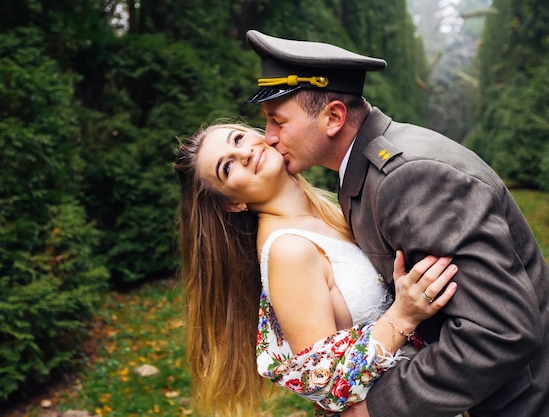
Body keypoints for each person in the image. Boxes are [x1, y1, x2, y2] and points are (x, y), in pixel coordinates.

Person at [244, 30, 549, 417]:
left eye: (277, 120)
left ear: (334, 117)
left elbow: (498, 331)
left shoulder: (407, 179)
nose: (268, 138)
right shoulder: (365, 170)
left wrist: (375, 408)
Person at [174, 122, 458, 417]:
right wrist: (404, 315)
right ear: (233, 203)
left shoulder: (331, 212)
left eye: (238, 138)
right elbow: (325, 381)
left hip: (420, 393)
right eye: (227, 167)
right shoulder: (289, 250)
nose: (244, 154)